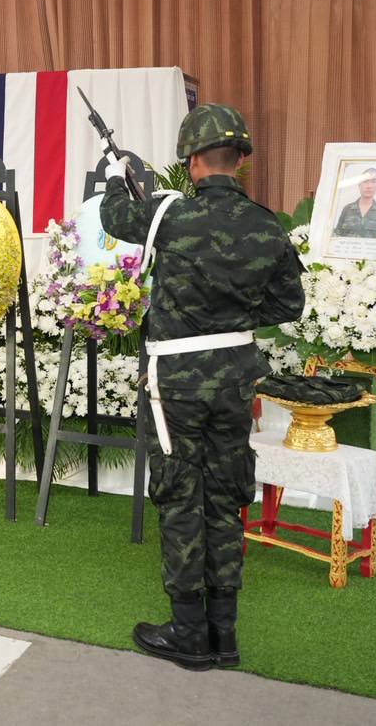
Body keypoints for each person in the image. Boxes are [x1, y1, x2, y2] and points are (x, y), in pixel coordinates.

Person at [101, 104, 305, 671]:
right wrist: (232, 315)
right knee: (225, 492)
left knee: (180, 495)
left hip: (176, 381)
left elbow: (116, 217)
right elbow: (289, 304)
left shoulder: (171, 216)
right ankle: (224, 633)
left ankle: (189, 633)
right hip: (236, 374)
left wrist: (117, 174)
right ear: (239, 160)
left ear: (192, 162)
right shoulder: (267, 224)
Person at [333, 167, 376, 239]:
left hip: (370, 246)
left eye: (374, 181)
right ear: (359, 185)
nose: (369, 186)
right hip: (348, 246)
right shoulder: (347, 209)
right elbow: (337, 235)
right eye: (365, 181)